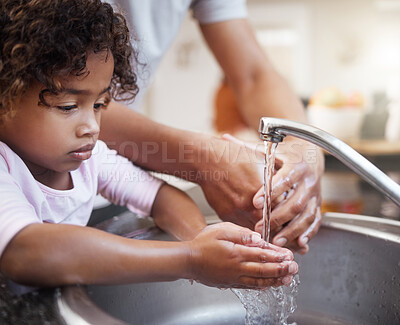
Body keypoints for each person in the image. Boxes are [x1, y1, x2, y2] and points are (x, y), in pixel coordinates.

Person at [0, 0, 298, 291]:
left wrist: (204, 240)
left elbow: (161, 198)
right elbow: (27, 250)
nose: (92, 126)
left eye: (100, 104)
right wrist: (190, 260)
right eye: (67, 106)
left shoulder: (91, 160)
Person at [100, 0, 324, 254]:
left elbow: (253, 74)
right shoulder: (92, 155)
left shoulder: (110, 173)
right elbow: (60, 97)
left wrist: (303, 144)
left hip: (115, 177)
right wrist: (202, 159)